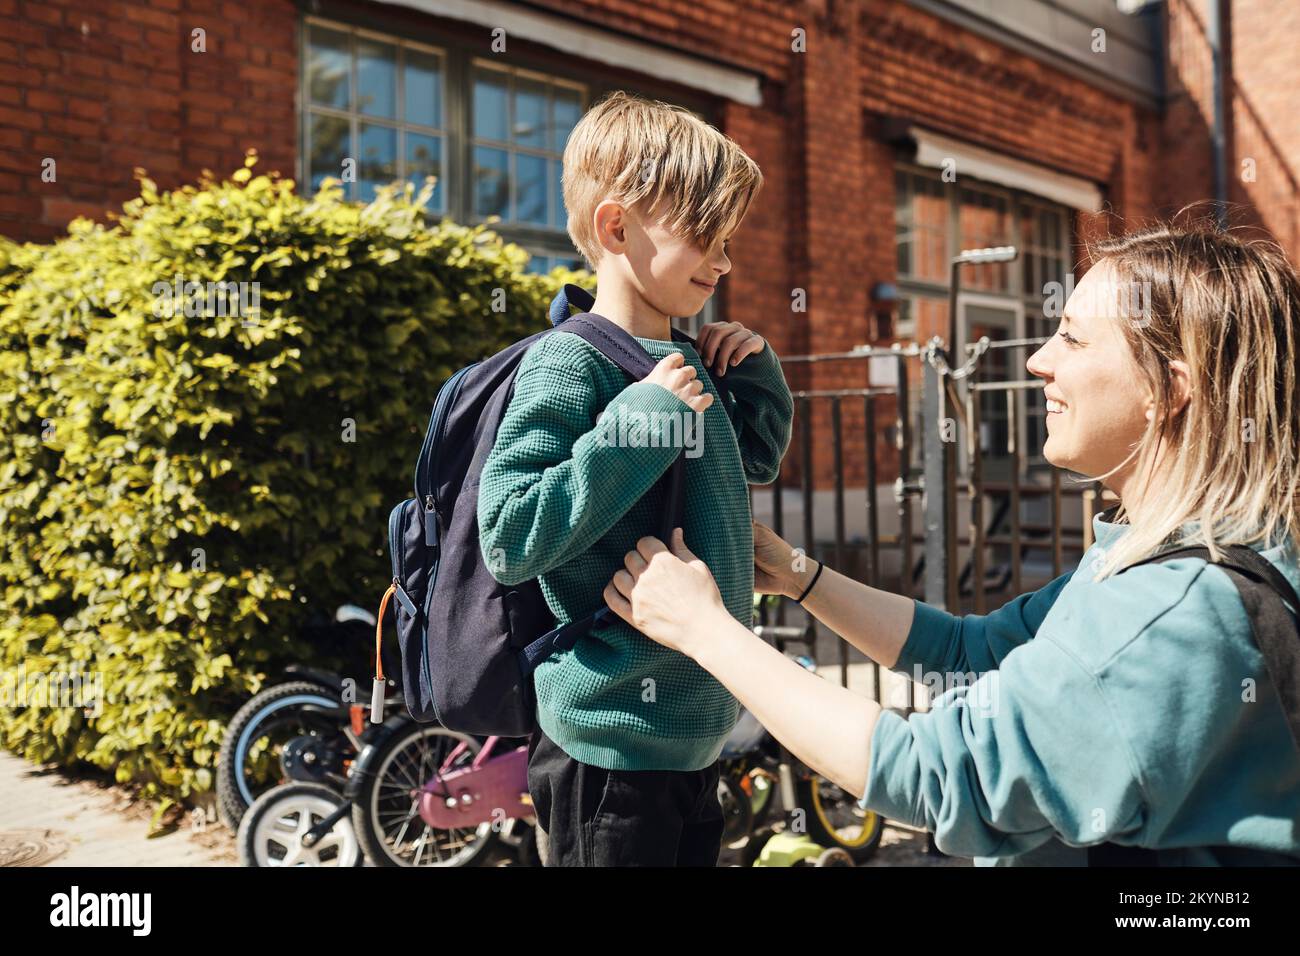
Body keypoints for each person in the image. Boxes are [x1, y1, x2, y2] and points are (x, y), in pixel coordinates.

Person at [603, 221, 1300, 865]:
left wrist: (707, 631)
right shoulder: (1179, 550)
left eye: (1075, 339)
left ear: (1167, 391)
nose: (1036, 362)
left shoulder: (1173, 608)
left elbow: (939, 773)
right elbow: (973, 654)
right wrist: (799, 575)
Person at [477, 91, 794, 866]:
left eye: (730, 240)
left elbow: (752, 461)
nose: (724, 261)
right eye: (706, 236)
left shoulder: (684, 362)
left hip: (694, 738)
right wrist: (636, 427)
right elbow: (511, 534)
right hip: (608, 751)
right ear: (616, 227)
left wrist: (757, 380)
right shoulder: (570, 361)